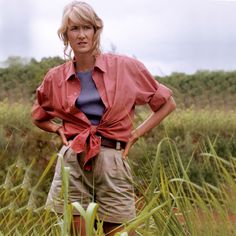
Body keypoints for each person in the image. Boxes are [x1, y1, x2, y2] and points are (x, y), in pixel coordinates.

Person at [31, 1, 176, 235]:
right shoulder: (55, 77)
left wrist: (135, 134)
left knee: (117, 232)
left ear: (96, 30)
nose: (81, 35)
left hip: (112, 161)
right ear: (65, 35)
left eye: (87, 28)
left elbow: (167, 103)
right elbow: (38, 115)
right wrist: (57, 129)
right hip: (73, 162)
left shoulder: (125, 67)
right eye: (74, 29)